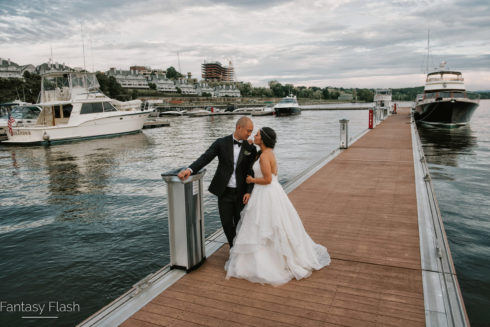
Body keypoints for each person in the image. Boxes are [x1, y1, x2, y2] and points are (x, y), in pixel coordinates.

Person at [225, 127, 331, 285]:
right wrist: (250, 144)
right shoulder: (266, 153)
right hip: (272, 192)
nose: (255, 135)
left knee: (263, 224)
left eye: (258, 134)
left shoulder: (263, 157)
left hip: (265, 191)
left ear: (264, 139)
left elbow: (267, 179)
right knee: (274, 224)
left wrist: (251, 181)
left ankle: (268, 262)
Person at [178, 117, 257, 247]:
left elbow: (251, 171)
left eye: (251, 131)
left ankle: (237, 251)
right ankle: (234, 247)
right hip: (224, 192)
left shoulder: (250, 147)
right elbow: (206, 157)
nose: (250, 134)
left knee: (240, 223)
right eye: (248, 131)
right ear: (239, 128)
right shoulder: (221, 143)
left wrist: (249, 191)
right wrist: (190, 169)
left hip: (241, 193)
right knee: (226, 223)